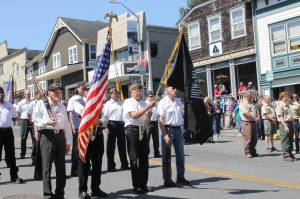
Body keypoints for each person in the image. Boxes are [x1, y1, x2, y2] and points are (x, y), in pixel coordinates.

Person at [33, 83, 71, 199]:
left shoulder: (62, 106)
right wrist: (46, 122)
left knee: (61, 167)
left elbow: (66, 125)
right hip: (47, 136)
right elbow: (35, 118)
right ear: (49, 93)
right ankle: (48, 194)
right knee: (47, 167)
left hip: (60, 136)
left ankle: (60, 193)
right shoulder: (41, 103)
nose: (59, 94)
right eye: (56, 92)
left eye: (60, 92)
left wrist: (68, 141)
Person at [123, 84, 155, 194]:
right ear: (131, 92)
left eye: (139, 90)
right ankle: (136, 185)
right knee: (134, 158)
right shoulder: (128, 102)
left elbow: (147, 122)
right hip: (132, 129)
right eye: (136, 90)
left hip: (142, 129)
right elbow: (135, 115)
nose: (138, 92)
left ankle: (143, 184)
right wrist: (147, 107)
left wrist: (149, 115)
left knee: (144, 158)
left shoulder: (144, 103)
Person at [157, 86, 189, 187]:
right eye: (172, 89)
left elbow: (182, 115)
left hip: (178, 129)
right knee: (166, 155)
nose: (175, 90)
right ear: (167, 92)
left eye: (175, 89)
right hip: (168, 129)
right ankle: (167, 179)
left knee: (180, 154)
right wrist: (165, 134)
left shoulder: (178, 101)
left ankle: (180, 177)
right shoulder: (163, 102)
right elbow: (161, 120)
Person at [0, 86, 24, 184]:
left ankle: (14, 176)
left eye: (1, 92)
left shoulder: (9, 104)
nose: (0, 94)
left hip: (8, 131)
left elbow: (15, 116)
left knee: (11, 154)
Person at [102, 88, 129, 172]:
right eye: (114, 93)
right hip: (111, 124)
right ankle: (111, 166)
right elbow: (105, 116)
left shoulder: (121, 103)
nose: (116, 94)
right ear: (110, 94)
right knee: (111, 147)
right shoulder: (108, 104)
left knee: (122, 146)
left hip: (121, 124)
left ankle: (124, 164)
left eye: (117, 93)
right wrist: (105, 127)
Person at [67, 81, 86, 177]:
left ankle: (81, 169)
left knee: (82, 148)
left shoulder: (82, 99)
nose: (84, 90)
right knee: (76, 149)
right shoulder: (74, 99)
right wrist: (71, 124)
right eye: (83, 88)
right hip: (77, 127)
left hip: (83, 126)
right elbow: (70, 112)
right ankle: (75, 170)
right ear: (77, 89)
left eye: (85, 88)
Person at [239, 91, 260, 158]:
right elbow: (246, 113)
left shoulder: (252, 103)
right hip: (247, 122)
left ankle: (253, 151)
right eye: (251, 95)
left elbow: (256, 110)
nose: (252, 96)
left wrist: (258, 116)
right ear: (247, 96)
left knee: (255, 138)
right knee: (248, 138)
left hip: (253, 122)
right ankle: (247, 152)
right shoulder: (243, 103)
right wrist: (254, 118)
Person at [275, 91, 295, 162]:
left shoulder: (287, 105)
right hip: (284, 123)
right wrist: (285, 126)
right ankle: (286, 155)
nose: (288, 97)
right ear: (283, 97)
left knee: (290, 139)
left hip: (290, 123)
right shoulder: (280, 105)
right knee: (285, 139)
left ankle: (290, 153)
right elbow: (280, 117)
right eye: (287, 96)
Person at [28, 91, 43, 180]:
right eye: (39, 94)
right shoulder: (33, 104)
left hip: (45, 127)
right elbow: (30, 114)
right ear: (36, 95)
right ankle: (37, 173)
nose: (40, 95)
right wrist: (33, 125)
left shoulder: (44, 103)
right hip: (37, 126)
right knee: (38, 149)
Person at [17, 90, 35, 160]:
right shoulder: (21, 103)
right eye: (27, 94)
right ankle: (23, 153)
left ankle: (33, 154)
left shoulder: (33, 102)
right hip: (24, 120)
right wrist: (19, 121)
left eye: (29, 94)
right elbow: (18, 112)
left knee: (34, 138)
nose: (29, 95)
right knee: (23, 138)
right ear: (24, 95)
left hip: (32, 121)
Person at [145, 91, 161, 158]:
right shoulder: (145, 103)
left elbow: (158, 113)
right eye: (150, 96)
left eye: (152, 96)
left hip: (155, 122)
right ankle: (146, 153)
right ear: (147, 97)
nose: (151, 97)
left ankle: (156, 152)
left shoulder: (155, 104)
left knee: (156, 139)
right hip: (148, 123)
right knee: (147, 140)